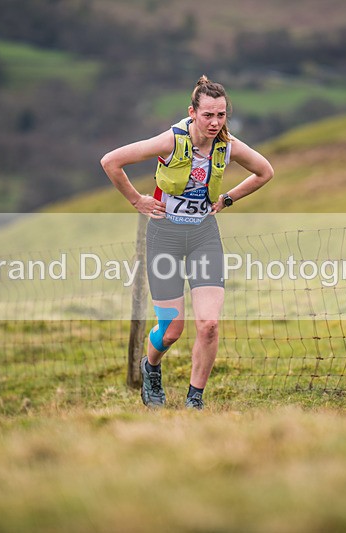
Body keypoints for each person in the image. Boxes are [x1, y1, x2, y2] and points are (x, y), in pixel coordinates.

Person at [100, 76, 273, 410]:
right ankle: (150, 366)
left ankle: (195, 401)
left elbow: (265, 172)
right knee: (171, 329)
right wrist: (137, 200)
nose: (215, 122)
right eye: (208, 115)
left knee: (208, 325)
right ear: (192, 113)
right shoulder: (171, 141)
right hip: (165, 235)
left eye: (221, 115)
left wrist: (228, 199)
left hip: (203, 235)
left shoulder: (228, 145)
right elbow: (111, 161)